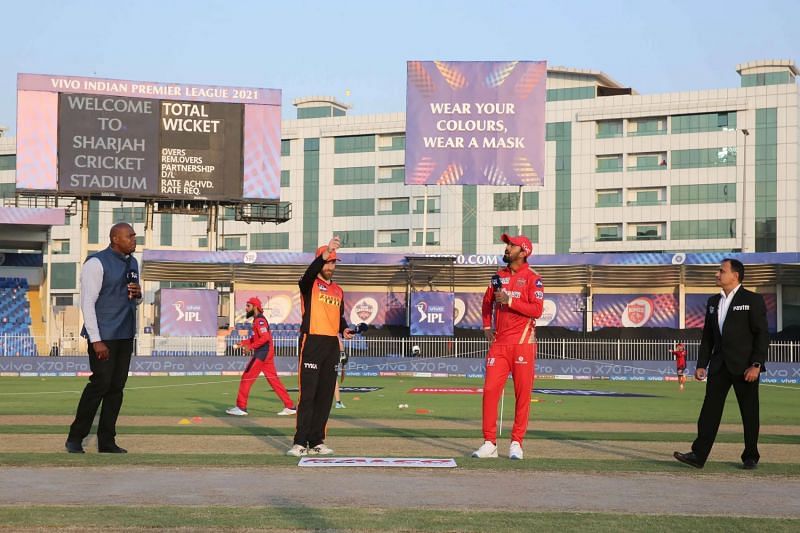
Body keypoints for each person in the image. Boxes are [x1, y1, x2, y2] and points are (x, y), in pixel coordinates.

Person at [674, 258, 769, 470]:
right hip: (719, 366)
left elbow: (762, 334)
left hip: (746, 368)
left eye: (721, 271)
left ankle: (750, 456)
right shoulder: (712, 302)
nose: (717, 274)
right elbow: (708, 336)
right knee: (709, 412)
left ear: (735, 275)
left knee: (749, 412)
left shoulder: (752, 300)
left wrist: (756, 364)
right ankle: (698, 455)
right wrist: (701, 364)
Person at [65, 223, 141, 454]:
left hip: (125, 333)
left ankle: (107, 441)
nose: (134, 239)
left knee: (116, 388)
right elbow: (87, 303)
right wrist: (96, 339)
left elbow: (131, 298)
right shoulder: (96, 263)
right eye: (130, 236)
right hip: (104, 336)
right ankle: (75, 438)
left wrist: (139, 295)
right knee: (100, 385)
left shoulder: (133, 262)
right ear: (115, 239)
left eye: (134, 236)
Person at [473, 233, 544, 460]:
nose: (506, 248)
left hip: (523, 344)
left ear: (523, 252)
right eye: (507, 245)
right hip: (499, 345)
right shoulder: (498, 277)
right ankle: (489, 443)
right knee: (490, 391)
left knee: (522, 395)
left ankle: (516, 443)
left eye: (511, 245)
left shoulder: (533, 278)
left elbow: (537, 310)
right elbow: (487, 303)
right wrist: (486, 327)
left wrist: (510, 300)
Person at [287, 236, 354, 457]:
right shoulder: (309, 284)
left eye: (334, 262)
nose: (331, 266)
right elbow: (308, 274)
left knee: (325, 396)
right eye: (328, 262)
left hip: (331, 345)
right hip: (312, 342)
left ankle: (316, 440)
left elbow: (340, 317)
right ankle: (299, 442)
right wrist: (325, 253)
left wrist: (344, 330)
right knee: (308, 395)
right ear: (320, 261)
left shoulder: (339, 290)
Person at [225, 297, 296, 417]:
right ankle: (290, 406)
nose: (246, 308)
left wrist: (250, 347)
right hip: (266, 353)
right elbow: (257, 338)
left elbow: (265, 338)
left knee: (246, 377)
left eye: (248, 306)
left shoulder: (260, 321)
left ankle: (241, 407)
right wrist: (243, 343)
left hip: (262, 354)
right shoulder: (257, 320)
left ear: (255, 307)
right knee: (274, 381)